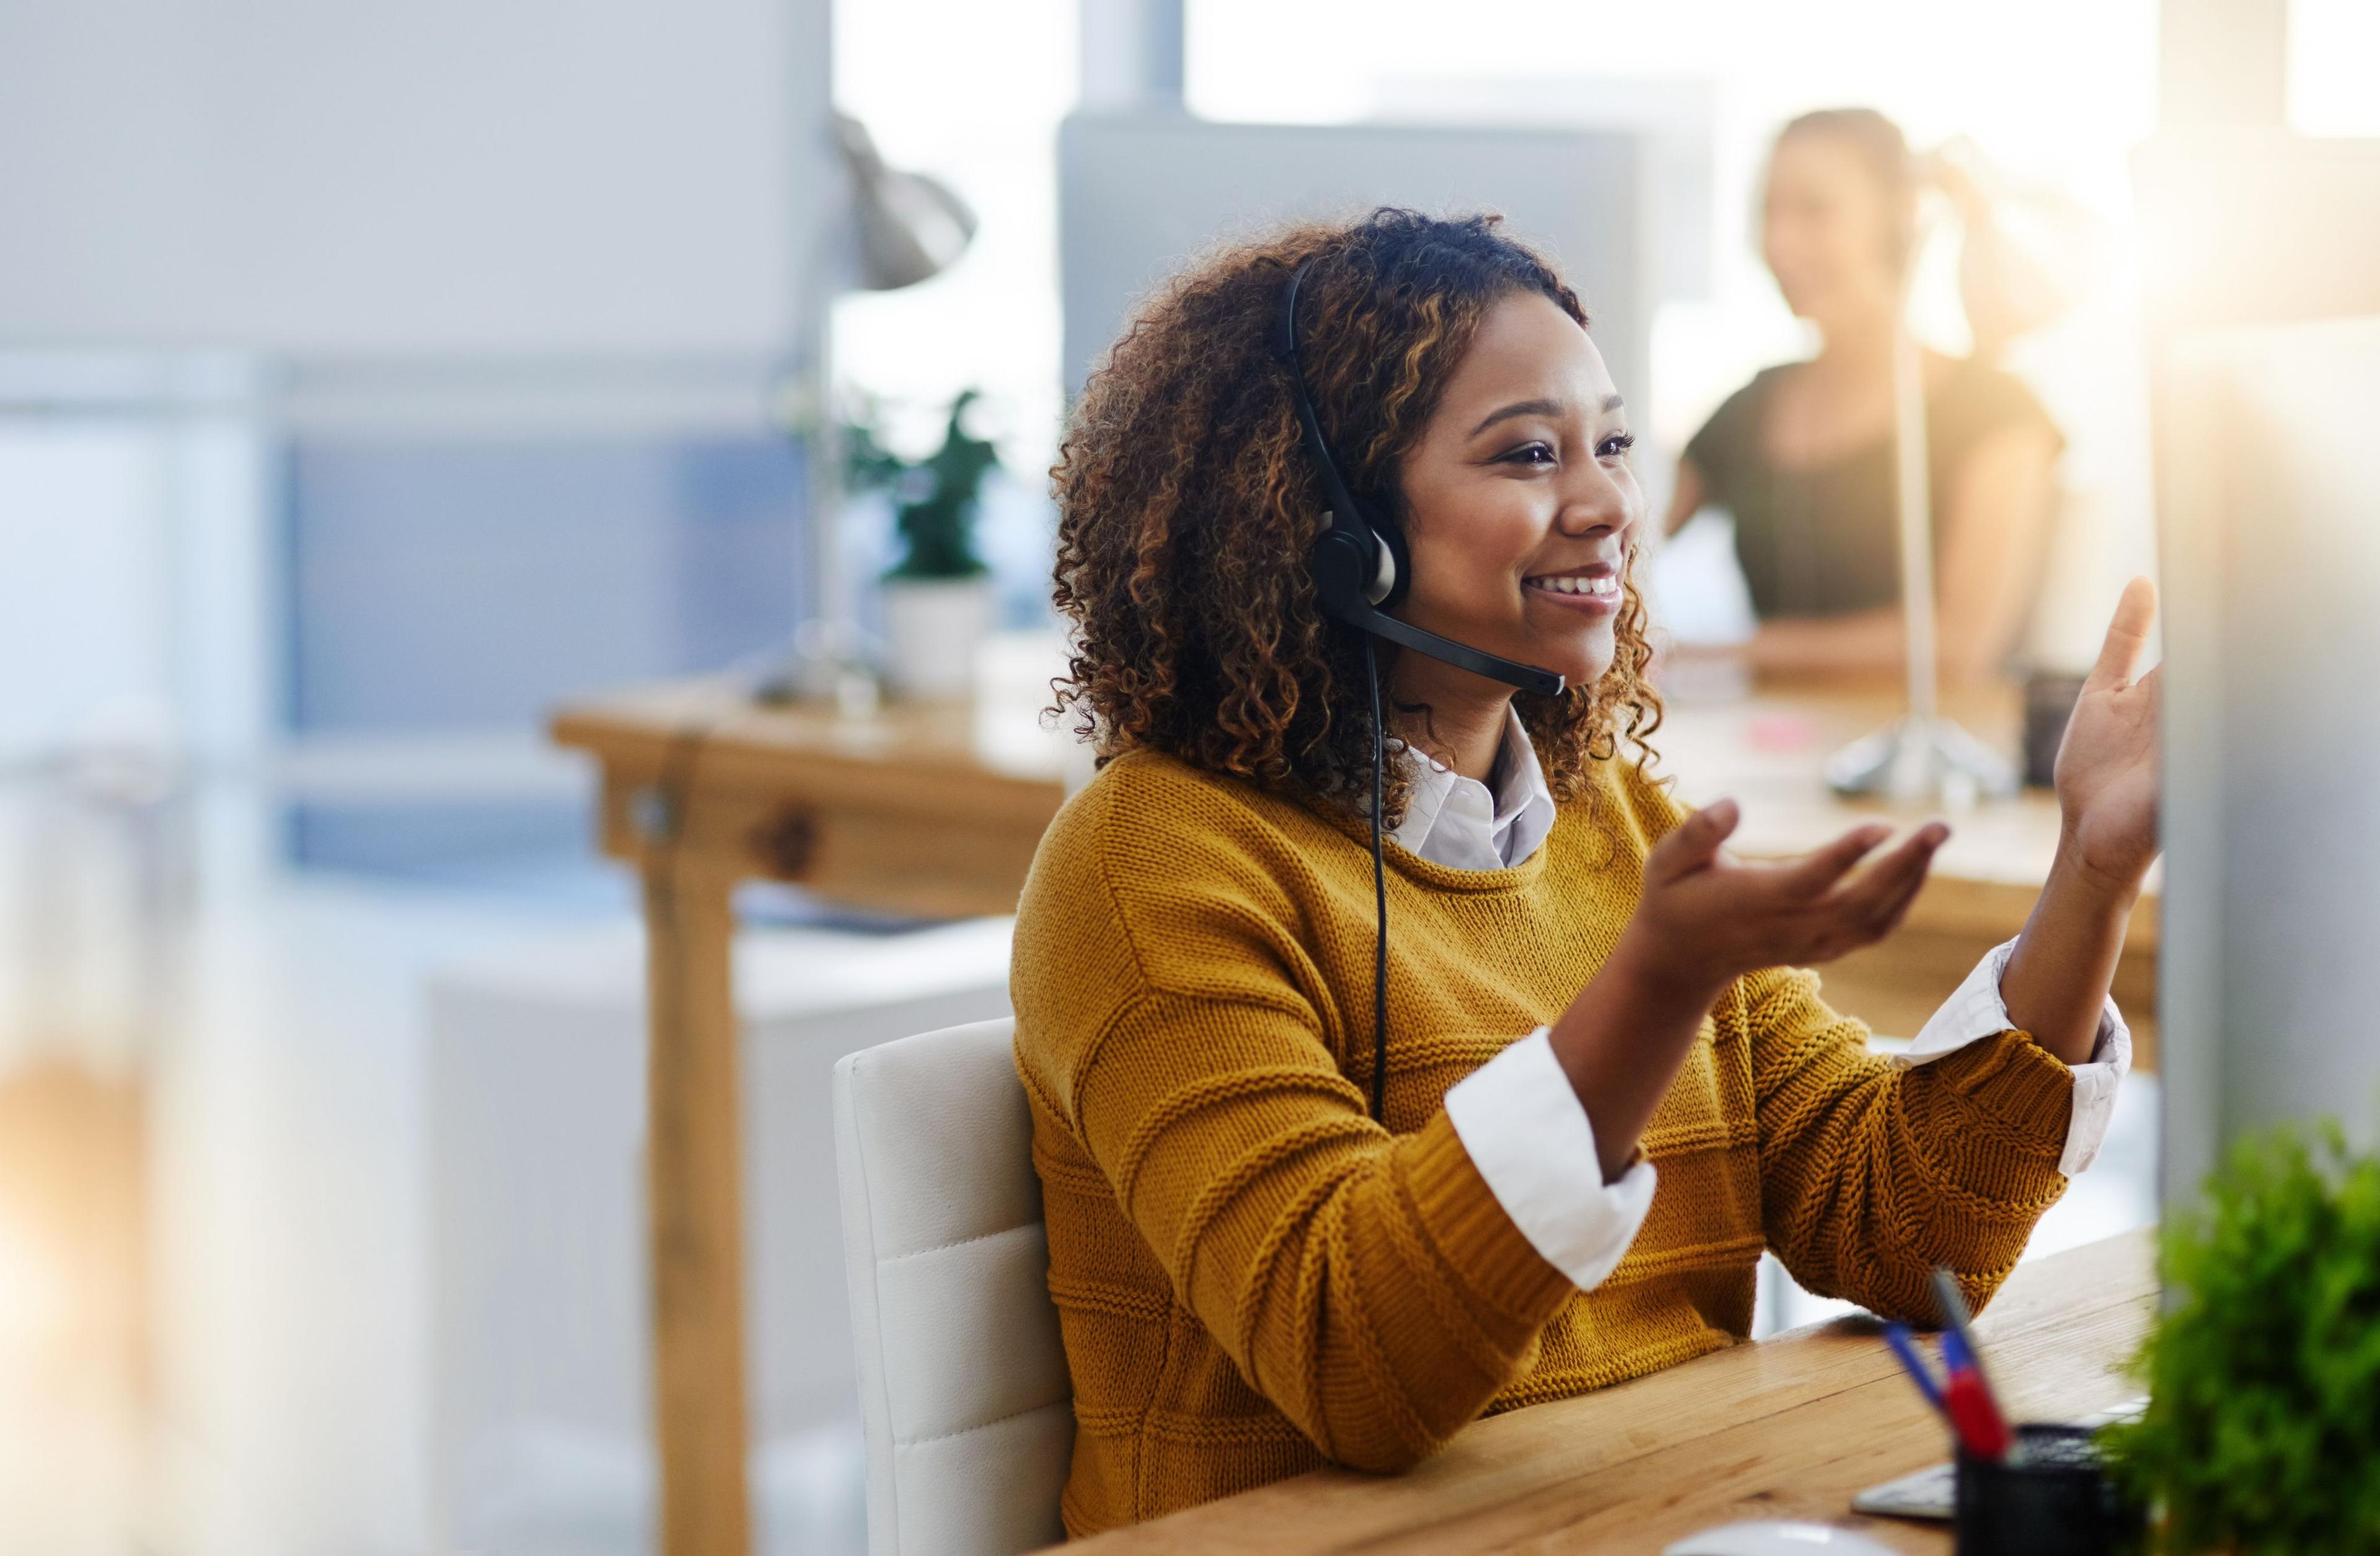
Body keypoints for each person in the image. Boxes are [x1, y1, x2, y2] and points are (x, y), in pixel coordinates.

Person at [1013, 209, 2156, 1536]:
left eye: (1611, 443)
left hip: (1648, 1515)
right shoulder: (1149, 862)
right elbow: (1348, 1353)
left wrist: (2092, 864)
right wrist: (1657, 982)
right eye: (1529, 454)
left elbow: (1904, 1232)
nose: (1611, 503)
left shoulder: (1611, 817)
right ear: (1328, 525)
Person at [1667, 109, 2065, 682]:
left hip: (1938, 756)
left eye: (1814, 210)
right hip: (1765, 749)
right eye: (1768, 212)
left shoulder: (1996, 412)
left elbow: (1959, 644)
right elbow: (1627, 530)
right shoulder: (1750, 406)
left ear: (1900, 217)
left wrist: (1721, 653)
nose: (1778, 242)